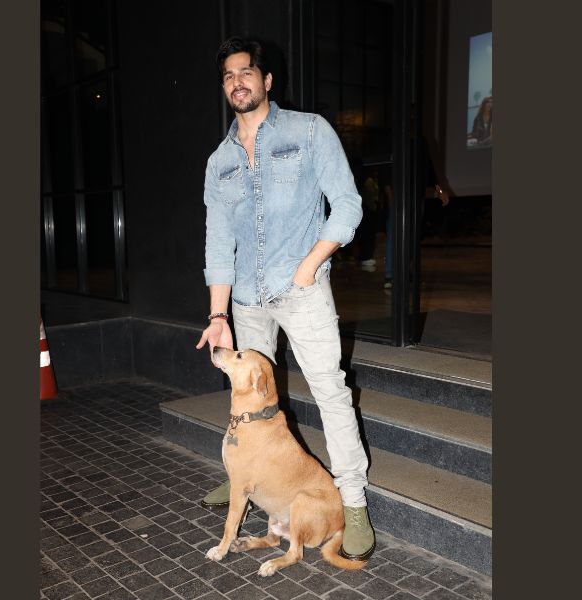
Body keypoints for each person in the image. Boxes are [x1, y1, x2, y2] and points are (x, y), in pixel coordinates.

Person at [195, 37, 375, 561]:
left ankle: (354, 502)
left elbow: (348, 205)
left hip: (302, 289)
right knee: (250, 397)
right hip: (247, 300)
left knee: (330, 392)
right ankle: (244, 474)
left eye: (246, 72)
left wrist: (310, 263)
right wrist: (218, 313)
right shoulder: (219, 162)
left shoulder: (309, 130)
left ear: (266, 79)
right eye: (229, 76)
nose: (237, 82)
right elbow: (217, 244)